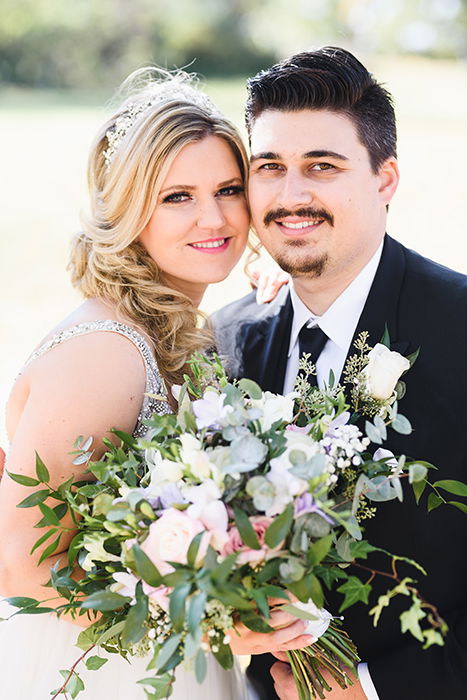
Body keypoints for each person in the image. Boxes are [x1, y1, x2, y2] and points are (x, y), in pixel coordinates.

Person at [0, 68, 312, 699]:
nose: (213, 217)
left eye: (229, 189)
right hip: (100, 674)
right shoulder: (104, 351)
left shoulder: (183, 335)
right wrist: (196, 625)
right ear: (127, 208)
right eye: (177, 197)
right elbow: (23, 567)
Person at [213, 47, 467, 699]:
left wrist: (370, 688)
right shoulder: (226, 340)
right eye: (269, 167)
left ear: (384, 180)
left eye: (321, 167)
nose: (291, 195)